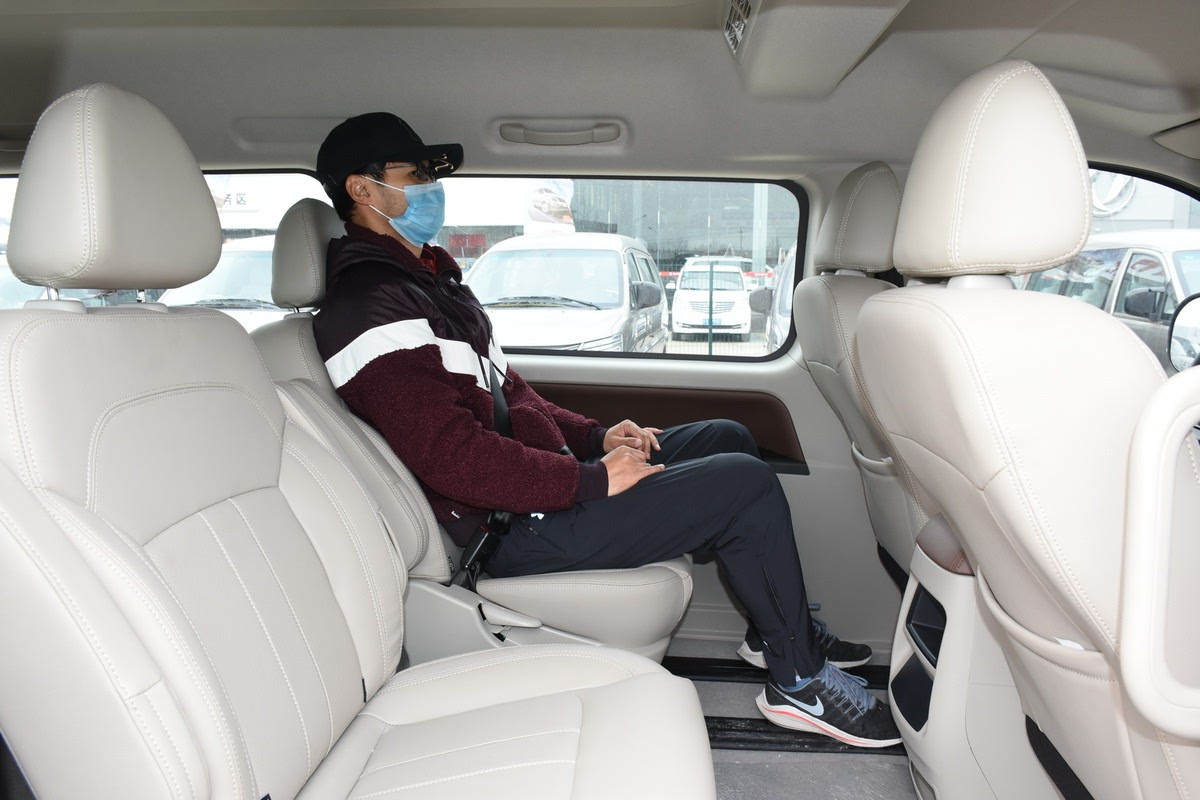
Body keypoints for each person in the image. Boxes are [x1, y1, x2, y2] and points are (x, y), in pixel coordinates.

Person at [311, 112, 903, 748]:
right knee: (744, 484)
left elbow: (512, 396)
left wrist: (597, 440)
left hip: (531, 494)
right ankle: (799, 681)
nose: (433, 188)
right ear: (363, 189)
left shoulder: (430, 283)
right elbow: (452, 457)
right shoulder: (370, 307)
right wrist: (590, 481)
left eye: (434, 175)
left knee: (727, 435)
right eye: (416, 175)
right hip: (506, 528)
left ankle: (777, 631)